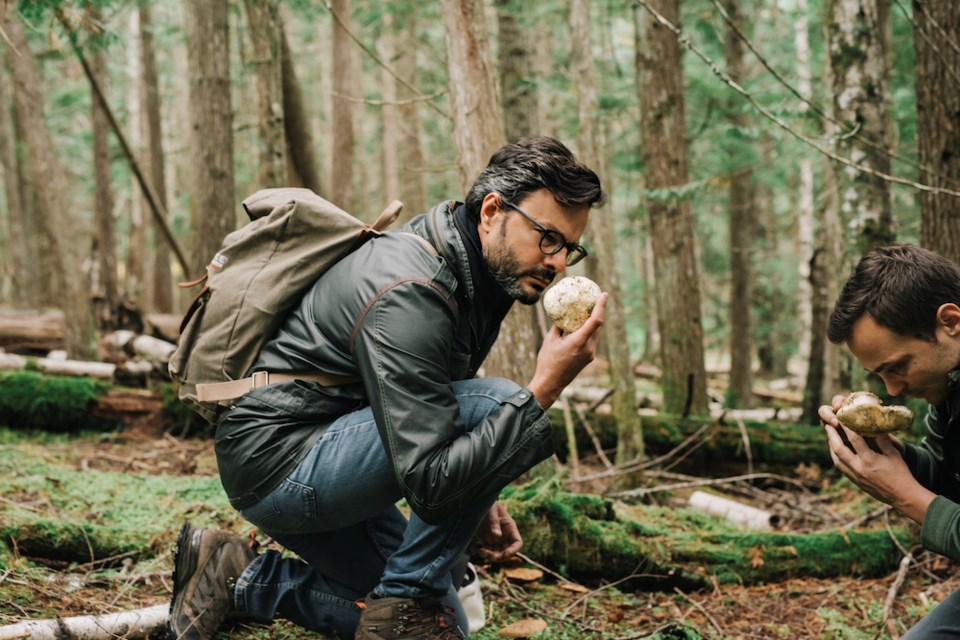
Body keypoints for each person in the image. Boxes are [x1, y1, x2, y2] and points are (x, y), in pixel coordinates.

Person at [167, 136, 608, 640]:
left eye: (569, 249)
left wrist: (481, 497)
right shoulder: (412, 290)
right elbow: (430, 478)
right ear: (491, 211)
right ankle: (406, 604)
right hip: (281, 463)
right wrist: (543, 390)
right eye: (548, 238)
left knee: (449, 628)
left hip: (331, 451)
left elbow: (429, 405)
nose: (557, 262)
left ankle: (240, 577)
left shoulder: (477, 273)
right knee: (501, 403)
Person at [818, 243, 960, 639]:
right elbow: (950, 479)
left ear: (950, 321)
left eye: (898, 367)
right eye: (880, 374)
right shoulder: (950, 388)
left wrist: (904, 495)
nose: (893, 389)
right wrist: (890, 455)